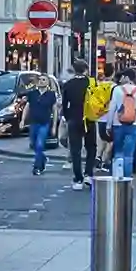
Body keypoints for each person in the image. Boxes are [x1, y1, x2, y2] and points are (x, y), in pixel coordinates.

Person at [60, 62, 97, 190]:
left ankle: (78, 179)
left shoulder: (68, 84)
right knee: (91, 147)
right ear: (86, 69)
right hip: (89, 118)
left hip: (74, 118)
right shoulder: (92, 83)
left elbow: (64, 104)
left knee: (75, 150)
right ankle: (88, 174)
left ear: (74, 71)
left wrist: (66, 116)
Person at [104, 70, 136, 177]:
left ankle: (117, 176)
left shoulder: (117, 90)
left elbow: (112, 108)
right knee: (129, 155)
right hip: (134, 125)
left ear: (126, 77)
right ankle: (127, 179)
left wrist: (108, 125)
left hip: (118, 124)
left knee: (118, 151)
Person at [25, 78, 57, 176]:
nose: (41, 81)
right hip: (33, 122)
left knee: (39, 145)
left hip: (44, 123)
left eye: (44, 80)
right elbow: (27, 107)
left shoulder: (51, 95)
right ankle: (42, 159)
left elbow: (55, 110)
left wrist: (54, 126)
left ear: (48, 83)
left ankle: (37, 167)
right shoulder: (32, 93)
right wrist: (23, 120)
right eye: (39, 79)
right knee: (34, 144)